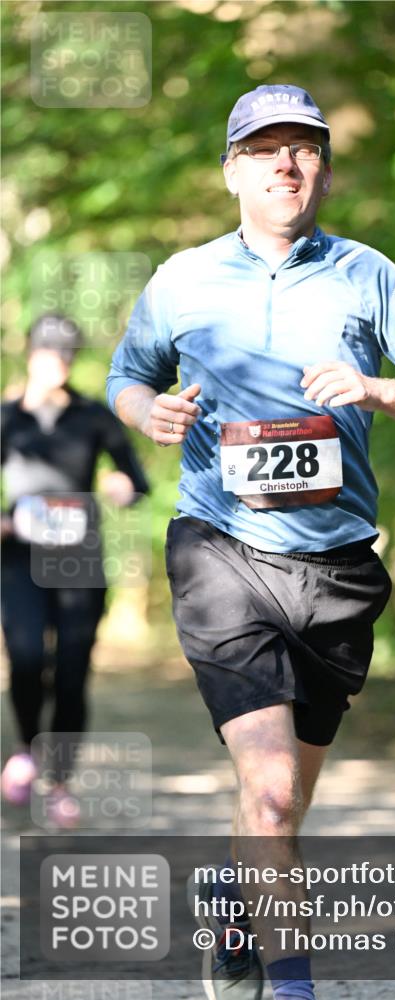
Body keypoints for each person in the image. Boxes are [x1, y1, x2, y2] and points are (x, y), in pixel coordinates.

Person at [107, 84, 395, 1000]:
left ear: (323, 167)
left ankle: (238, 897)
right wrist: (145, 412)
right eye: (265, 149)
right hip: (219, 548)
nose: (286, 163)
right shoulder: (183, 279)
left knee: (285, 799)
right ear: (231, 168)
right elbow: (128, 375)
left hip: (338, 567)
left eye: (304, 148)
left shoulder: (369, 276)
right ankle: (291, 986)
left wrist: (380, 390)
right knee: (270, 792)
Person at [1, 313, 149, 827]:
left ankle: (60, 782)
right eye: (49, 352)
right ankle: (25, 747)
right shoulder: (6, 419)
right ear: (31, 354)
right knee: (23, 659)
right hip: (18, 559)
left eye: (67, 354)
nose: (58, 362)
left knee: (71, 671)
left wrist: (122, 490)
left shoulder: (93, 416)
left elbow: (135, 479)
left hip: (77, 560)